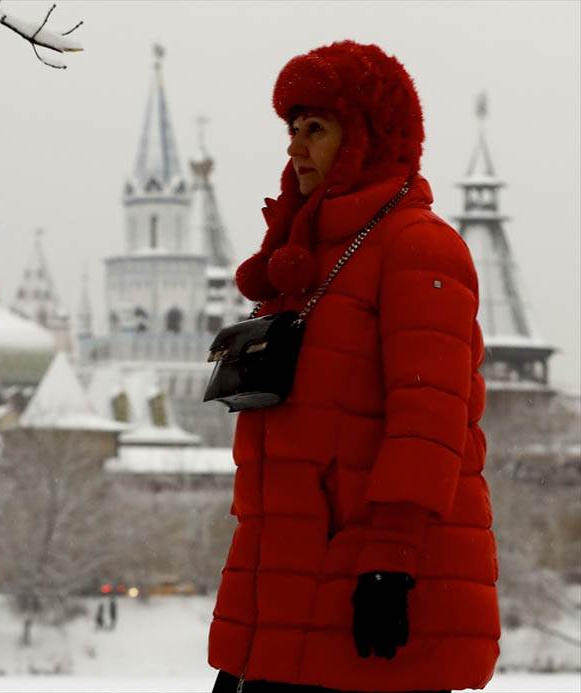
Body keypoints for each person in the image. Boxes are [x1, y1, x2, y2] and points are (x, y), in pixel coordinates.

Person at [209, 41, 499, 692]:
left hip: (367, 588)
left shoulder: (419, 249)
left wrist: (390, 561)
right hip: (284, 602)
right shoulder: (305, 266)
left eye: (316, 128)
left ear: (366, 136)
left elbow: (428, 424)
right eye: (292, 128)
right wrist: (249, 643)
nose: (295, 147)